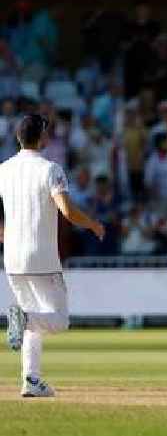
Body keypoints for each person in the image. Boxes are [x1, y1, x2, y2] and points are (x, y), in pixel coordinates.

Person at [1, 114, 105, 397]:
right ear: (43, 136)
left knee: (35, 320)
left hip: (12, 257)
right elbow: (68, 212)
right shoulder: (51, 168)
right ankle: (23, 318)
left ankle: (31, 380)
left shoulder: (4, 169)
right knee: (58, 320)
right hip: (42, 257)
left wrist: (4, 234)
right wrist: (93, 224)